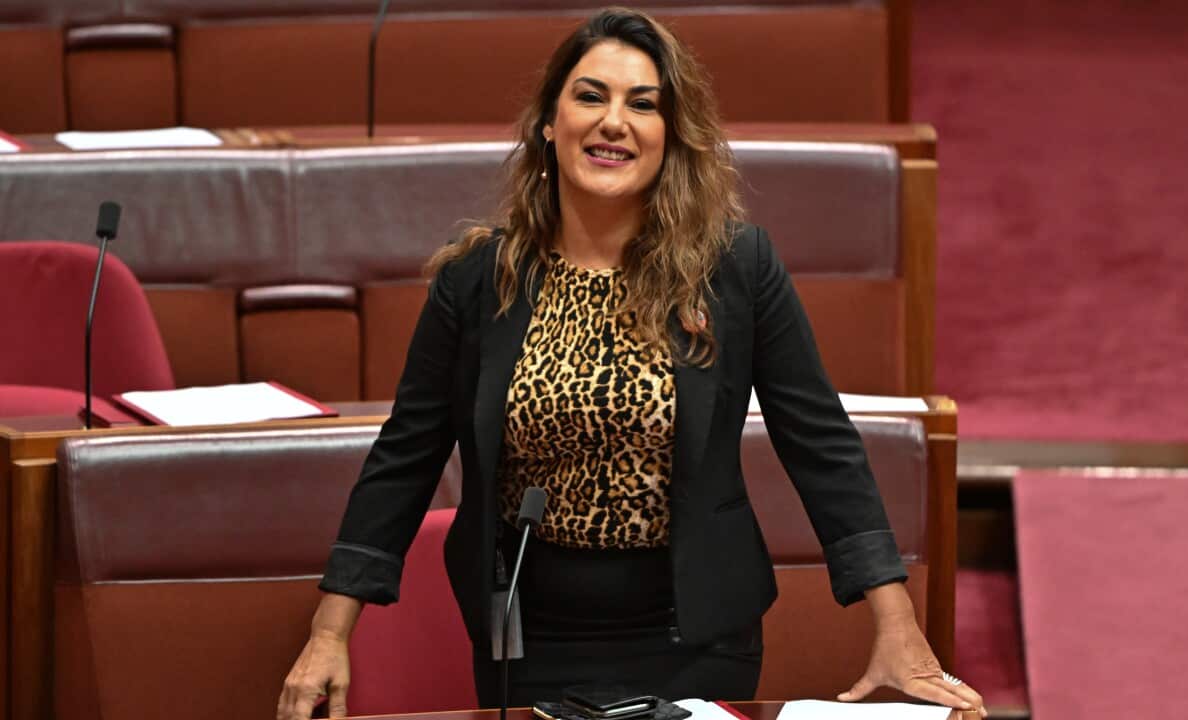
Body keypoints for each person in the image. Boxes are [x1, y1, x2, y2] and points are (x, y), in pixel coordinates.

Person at [278, 8, 985, 720]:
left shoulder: (735, 270)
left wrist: (896, 626)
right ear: (549, 123)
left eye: (643, 104)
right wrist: (329, 632)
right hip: (529, 637)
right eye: (591, 96)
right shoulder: (478, 281)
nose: (614, 121)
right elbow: (404, 458)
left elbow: (823, 447)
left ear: (670, 138)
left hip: (699, 633)